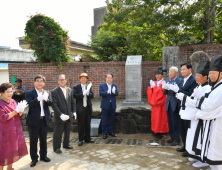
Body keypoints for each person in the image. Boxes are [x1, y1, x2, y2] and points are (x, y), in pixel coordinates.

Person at [176, 60, 211, 168]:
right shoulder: (199, 86)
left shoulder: (207, 88)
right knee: (192, 136)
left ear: (205, 77)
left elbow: (199, 103)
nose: (196, 78)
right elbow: (193, 98)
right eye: (196, 75)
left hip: (200, 116)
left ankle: (202, 158)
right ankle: (195, 154)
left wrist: (184, 97)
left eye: (198, 76)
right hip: (193, 115)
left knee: (199, 138)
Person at [194, 55, 222, 170]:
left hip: (218, 123)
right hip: (212, 122)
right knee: (212, 148)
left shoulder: (220, 89)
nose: (211, 75)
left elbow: (210, 105)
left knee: (216, 149)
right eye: (210, 73)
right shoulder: (215, 86)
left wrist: (200, 99)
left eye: (213, 73)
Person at [169, 63, 198, 157]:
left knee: (187, 129)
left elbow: (190, 94)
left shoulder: (193, 80)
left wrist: (179, 91)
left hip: (189, 108)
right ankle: (184, 146)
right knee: (182, 129)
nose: (182, 71)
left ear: (190, 69)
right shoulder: (184, 80)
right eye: (181, 70)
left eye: (184, 69)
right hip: (182, 107)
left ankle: (188, 149)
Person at [25, 75, 52, 167]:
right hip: (33, 121)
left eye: (41, 81)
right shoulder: (29, 92)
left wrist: (46, 99)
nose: (39, 83)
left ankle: (43, 156)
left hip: (44, 120)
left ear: (44, 83)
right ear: (34, 82)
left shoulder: (47, 92)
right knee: (33, 140)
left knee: (43, 140)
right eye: (37, 81)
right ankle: (34, 158)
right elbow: (28, 103)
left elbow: (51, 103)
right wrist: (37, 99)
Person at [0, 83, 28, 170]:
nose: (10, 93)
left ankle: (9, 168)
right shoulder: (0, 104)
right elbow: (3, 118)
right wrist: (16, 111)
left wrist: (21, 110)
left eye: (11, 91)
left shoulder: (12, 101)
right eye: (7, 92)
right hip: (5, 132)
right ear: (2, 93)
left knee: (12, 150)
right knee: (4, 152)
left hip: (15, 131)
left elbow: (18, 115)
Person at [51, 74, 76, 154]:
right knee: (58, 133)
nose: (62, 81)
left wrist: (74, 111)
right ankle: (56, 148)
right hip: (60, 116)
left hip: (68, 115)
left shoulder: (69, 90)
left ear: (66, 80)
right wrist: (60, 114)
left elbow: (72, 102)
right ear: (58, 81)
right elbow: (54, 105)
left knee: (67, 131)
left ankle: (66, 144)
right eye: (60, 80)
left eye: (63, 79)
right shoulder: (54, 91)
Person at [162, 66, 182, 145]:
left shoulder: (179, 81)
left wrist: (173, 89)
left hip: (175, 104)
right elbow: (164, 92)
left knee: (175, 122)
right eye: (169, 72)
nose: (169, 73)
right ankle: (172, 137)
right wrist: (165, 88)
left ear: (176, 73)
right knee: (170, 122)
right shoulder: (167, 80)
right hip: (168, 103)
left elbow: (179, 91)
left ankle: (177, 139)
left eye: (171, 72)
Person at [147, 66, 169, 139]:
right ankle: (155, 131)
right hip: (155, 104)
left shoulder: (164, 82)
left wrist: (154, 88)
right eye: (156, 74)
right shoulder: (154, 82)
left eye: (159, 74)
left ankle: (163, 132)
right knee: (155, 117)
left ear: (162, 75)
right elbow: (150, 92)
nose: (157, 76)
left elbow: (163, 92)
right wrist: (151, 88)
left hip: (161, 104)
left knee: (162, 118)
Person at [73, 73, 94, 146]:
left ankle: (87, 139)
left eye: (85, 78)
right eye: (82, 78)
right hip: (80, 108)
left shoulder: (88, 87)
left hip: (87, 107)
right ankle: (80, 139)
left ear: (87, 79)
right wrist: (82, 93)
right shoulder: (76, 87)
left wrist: (88, 93)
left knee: (87, 124)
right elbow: (74, 95)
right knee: (81, 124)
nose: (83, 79)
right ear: (80, 79)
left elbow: (92, 95)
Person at [99, 74, 119, 139]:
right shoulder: (102, 85)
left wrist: (114, 92)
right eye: (108, 77)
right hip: (105, 105)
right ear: (106, 78)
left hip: (112, 105)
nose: (109, 79)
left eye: (110, 78)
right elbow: (100, 93)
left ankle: (111, 131)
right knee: (104, 120)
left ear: (112, 79)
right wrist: (107, 92)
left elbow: (117, 93)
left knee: (112, 119)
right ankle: (104, 133)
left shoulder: (114, 85)